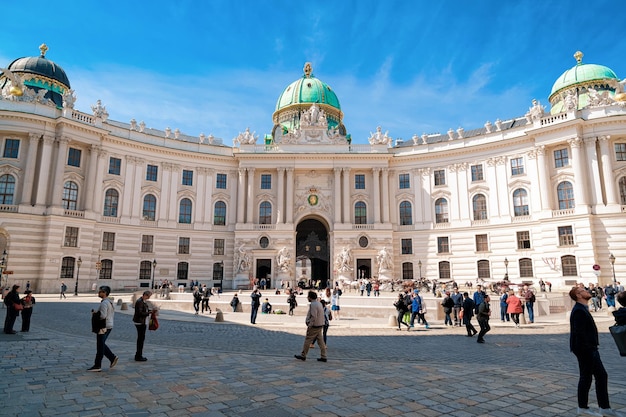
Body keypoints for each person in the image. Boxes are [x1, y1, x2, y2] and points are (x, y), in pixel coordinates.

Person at [569, 286, 621, 417]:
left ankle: (604, 408)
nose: (587, 292)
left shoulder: (582, 308)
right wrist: (588, 348)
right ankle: (583, 408)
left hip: (589, 348)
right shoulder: (579, 310)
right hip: (585, 349)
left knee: (601, 376)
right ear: (578, 296)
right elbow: (578, 333)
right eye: (583, 291)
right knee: (586, 377)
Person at [88, 286, 118, 372]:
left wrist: (95, 314)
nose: (98, 293)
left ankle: (98, 365)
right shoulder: (109, 302)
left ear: (104, 293)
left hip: (104, 326)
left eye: (100, 291)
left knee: (100, 346)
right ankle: (112, 358)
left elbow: (103, 316)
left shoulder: (104, 303)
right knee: (101, 344)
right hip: (109, 325)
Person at [294, 291, 327, 362]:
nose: (307, 298)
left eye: (308, 296)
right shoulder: (319, 303)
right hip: (320, 324)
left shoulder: (313, 304)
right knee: (321, 341)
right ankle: (323, 356)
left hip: (314, 325)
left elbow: (314, 316)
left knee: (308, 340)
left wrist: (310, 324)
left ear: (310, 297)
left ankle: (303, 355)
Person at [133, 290, 152, 362]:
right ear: (145, 295)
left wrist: (150, 310)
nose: (149, 298)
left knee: (141, 339)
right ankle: (138, 356)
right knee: (141, 339)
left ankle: (138, 355)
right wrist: (148, 313)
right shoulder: (140, 302)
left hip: (142, 322)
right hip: (140, 322)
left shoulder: (142, 301)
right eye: (149, 296)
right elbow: (140, 313)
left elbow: (144, 309)